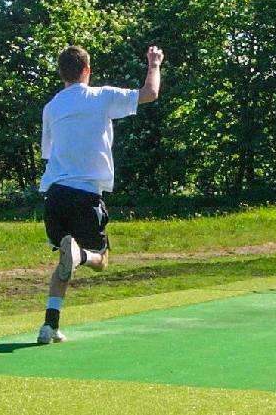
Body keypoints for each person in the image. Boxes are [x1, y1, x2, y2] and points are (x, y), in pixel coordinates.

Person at [36, 45, 163, 344]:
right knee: (100, 259)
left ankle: (49, 326)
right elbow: (149, 93)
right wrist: (154, 63)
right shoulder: (101, 96)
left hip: (54, 196)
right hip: (85, 195)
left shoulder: (51, 107)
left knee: (64, 260)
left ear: (61, 74)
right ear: (87, 71)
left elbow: (48, 153)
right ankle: (79, 254)